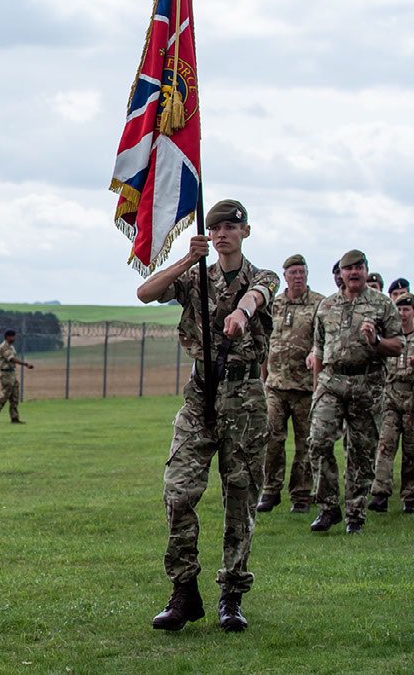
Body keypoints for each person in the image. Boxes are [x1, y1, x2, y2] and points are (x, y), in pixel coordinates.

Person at [135, 200, 278, 633]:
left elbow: (259, 295)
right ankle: (184, 591)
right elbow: (146, 293)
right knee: (178, 492)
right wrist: (187, 259)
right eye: (215, 228)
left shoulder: (262, 276)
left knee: (240, 500)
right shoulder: (197, 276)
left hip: (246, 400)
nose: (221, 234)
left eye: (230, 227)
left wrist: (241, 310)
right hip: (200, 396)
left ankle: (232, 595)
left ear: (245, 232)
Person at [308, 250, 404, 534]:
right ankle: (327, 508)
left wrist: (376, 341)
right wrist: (316, 389)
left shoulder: (382, 305)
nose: (354, 273)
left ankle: (355, 515)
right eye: (348, 268)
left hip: (368, 383)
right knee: (318, 442)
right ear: (340, 273)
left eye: (359, 268)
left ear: (365, 270)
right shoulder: (326, 306)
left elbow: (398, 345)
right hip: (332, 382)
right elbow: (319, 350)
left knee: (361, 453)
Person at [258, 255, 324, 514]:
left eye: (302, 272)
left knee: (305, 445)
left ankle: (301, 495)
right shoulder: (274, 304)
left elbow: (325, 338)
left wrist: (315, 352)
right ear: (285, 276)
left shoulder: (319, 304)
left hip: (305, 387)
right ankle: (270, 491)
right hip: (275, 385)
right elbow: (265, 342)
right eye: (293, 272)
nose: (298, 276)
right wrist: (262, 378)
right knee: (272, 440)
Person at [367, 294, 414, 513]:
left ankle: (410, 495)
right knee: (385, 445)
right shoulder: (389, 337)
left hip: (411, 396)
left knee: (411, 449)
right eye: (400, 310)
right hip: (391, 396)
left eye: (407, 310)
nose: (403, 314)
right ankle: (380, 493)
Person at [0, 329, 33, 424]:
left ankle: (14, 417)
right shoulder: (4, 347)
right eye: (12, 336)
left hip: (12, 373)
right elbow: (11, 359)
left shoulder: (10, 347)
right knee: (5, 395)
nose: (14, 338)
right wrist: (25, 364)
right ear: (8, 337)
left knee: (15, 396)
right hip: (6, 374)